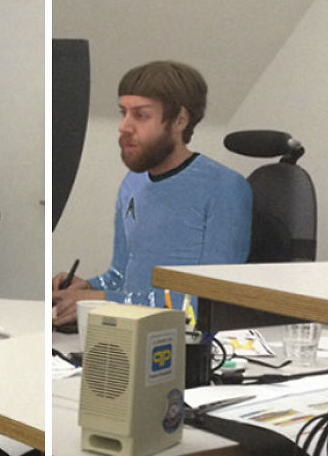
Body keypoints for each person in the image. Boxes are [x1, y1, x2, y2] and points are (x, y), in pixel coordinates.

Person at [52, 59, 251, 325]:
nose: (124, 126)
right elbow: (121, 275)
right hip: (127, 331)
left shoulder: (224, 188)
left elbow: (212, 300)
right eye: (123, 113)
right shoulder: (132, 183)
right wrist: (86, 288)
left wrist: (101, 300)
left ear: (179, 120)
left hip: (184, 339)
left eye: (140, 115)